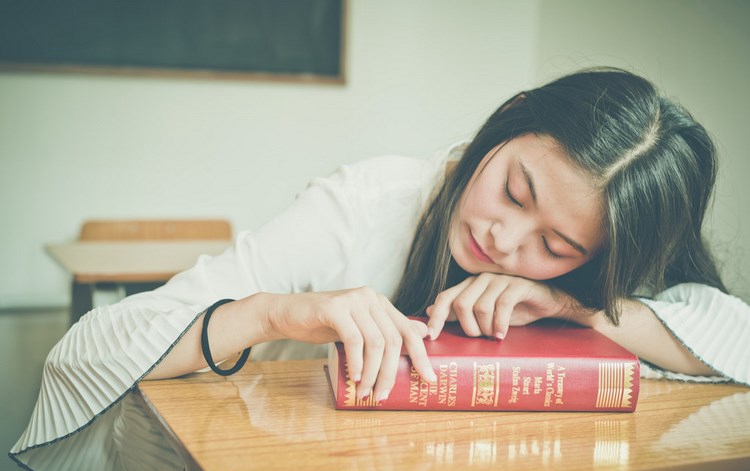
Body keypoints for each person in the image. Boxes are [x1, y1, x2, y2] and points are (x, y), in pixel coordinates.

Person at [11, 67, 750, 469]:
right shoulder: (365, 203)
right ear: (513, 116)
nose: (502, 237)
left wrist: (573, 306)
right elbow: (87, 350)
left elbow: (736, 339)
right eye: (515, 190)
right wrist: (275, 312)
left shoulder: (593, 273)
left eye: (555, 245)